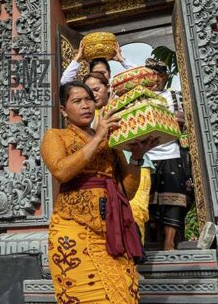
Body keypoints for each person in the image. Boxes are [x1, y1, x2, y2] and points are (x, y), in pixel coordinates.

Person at [42, 81, 154, 303]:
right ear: (64, 110)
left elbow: (127, 192)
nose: (85, 105)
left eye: (88, 100)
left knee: (122, 294)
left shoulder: (111, 140)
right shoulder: (55, 136)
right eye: (76, 101)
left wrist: (137, 158)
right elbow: (62, 172)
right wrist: (98, 137)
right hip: (73, 228)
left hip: (113, 229)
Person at [83, 72, 154, 245]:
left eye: (97, 89)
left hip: (137, 165)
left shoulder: (125, 103)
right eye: (88, 92)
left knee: (135, 212)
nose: (94, 95)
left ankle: (135, 263)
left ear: (108, 88)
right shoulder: (89, 117)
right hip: (110, 171)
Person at [142, 59, 191, 251]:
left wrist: (181, 121)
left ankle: (170, 242)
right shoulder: (140, 98)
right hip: (147, 155)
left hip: (172, 152)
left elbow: (186, 121)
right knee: (147, 200)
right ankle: (149, 242)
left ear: (165, 77)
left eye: (161, 75)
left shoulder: (176, 96)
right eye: (153, 75)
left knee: (175, 198)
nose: (157, 79)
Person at [61, 41, 135, 85]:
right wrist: (77, 59)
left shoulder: (116, 90)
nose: (100, 76)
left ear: (109, 74)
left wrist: (122, 60)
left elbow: (140, 75)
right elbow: (64, 82)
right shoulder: (87, 93)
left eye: (103, 73)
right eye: (96, 73)